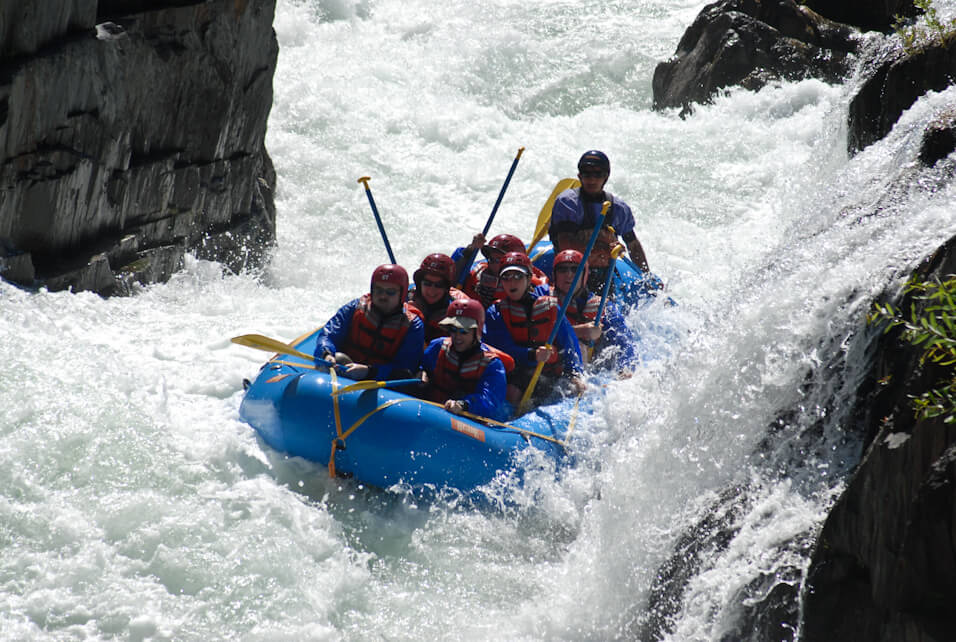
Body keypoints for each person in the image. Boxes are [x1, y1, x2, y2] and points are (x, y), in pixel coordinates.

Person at [483, 251, 584, 408]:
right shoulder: (495, 312)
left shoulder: (550, 307)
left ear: (529, 278)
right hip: (518, 371)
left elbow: (570, 343)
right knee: (512, 392)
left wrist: (575, 373)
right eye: (506, 277)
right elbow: (503, 348)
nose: (511, 283)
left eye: (517, 277)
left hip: (549, 372)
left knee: (572, 387)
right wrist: (533, 354)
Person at [549, 150, 650, 292]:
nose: (592, 180)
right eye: (587, 174)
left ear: (606, 177)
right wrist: (605, 250)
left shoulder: (618, 208)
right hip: (570, 273)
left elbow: (633, 245)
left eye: (598, 175)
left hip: (603, 276)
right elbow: (566, 245)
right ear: (579, 176)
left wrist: (646, 276)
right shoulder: (568, 203)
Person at [313, 264, 425, 380]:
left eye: (390, 292)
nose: (383, 296)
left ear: (401, 295)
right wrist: (326, 353)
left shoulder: (412, 325)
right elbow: (328, 335)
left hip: (379, 382)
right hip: (345, 370)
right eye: (378, 290)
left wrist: (369, 371)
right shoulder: (354, 308)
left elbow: (405, 368)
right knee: (339, 357)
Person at [421, 298, 512, 422]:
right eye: (453, 329)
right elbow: (422, 366)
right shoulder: (438, 347)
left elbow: (490, 400)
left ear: (477, 331)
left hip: (472, 420)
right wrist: (422, 373)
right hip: (437, 410)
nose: (457, 336)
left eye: (464, 331)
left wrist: (464, 405)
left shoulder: (492, 364)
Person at [550, 249, 638, 375]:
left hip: (588, 367)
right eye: (562, 270)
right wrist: (580, 331)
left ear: (585, 275)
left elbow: (625, 342)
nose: (569, 275)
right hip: (552, 364)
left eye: (575, 270)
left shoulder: (601, 306)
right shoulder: (543, 298)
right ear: (554, 275)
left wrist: (625, 368)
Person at [458, 233, 548, 308]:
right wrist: (470, 250)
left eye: (498, 260)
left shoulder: (533, 284)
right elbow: (452, 280)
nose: (492, 264)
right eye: (491, 259)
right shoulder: (477, 273)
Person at [407, 253, 469, 343]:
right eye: (427, 283)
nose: (432, 290)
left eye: (439, 285)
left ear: (446, 288)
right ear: (420, 283)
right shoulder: (406, 299)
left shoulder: (460, 308)